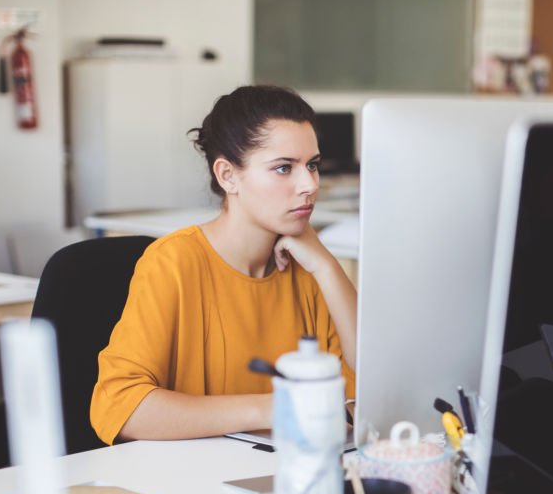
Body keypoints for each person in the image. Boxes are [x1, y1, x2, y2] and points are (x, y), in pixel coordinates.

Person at [90, 85, 356, 444]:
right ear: (227, 175)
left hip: (287, 472)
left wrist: (325, 264)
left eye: (312, 165)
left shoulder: (308, 269)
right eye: (283, 168)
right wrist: (269, 409)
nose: (309, 185)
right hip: (193, 480)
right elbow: (121, 408)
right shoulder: (173, 263)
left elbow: (373, 391)